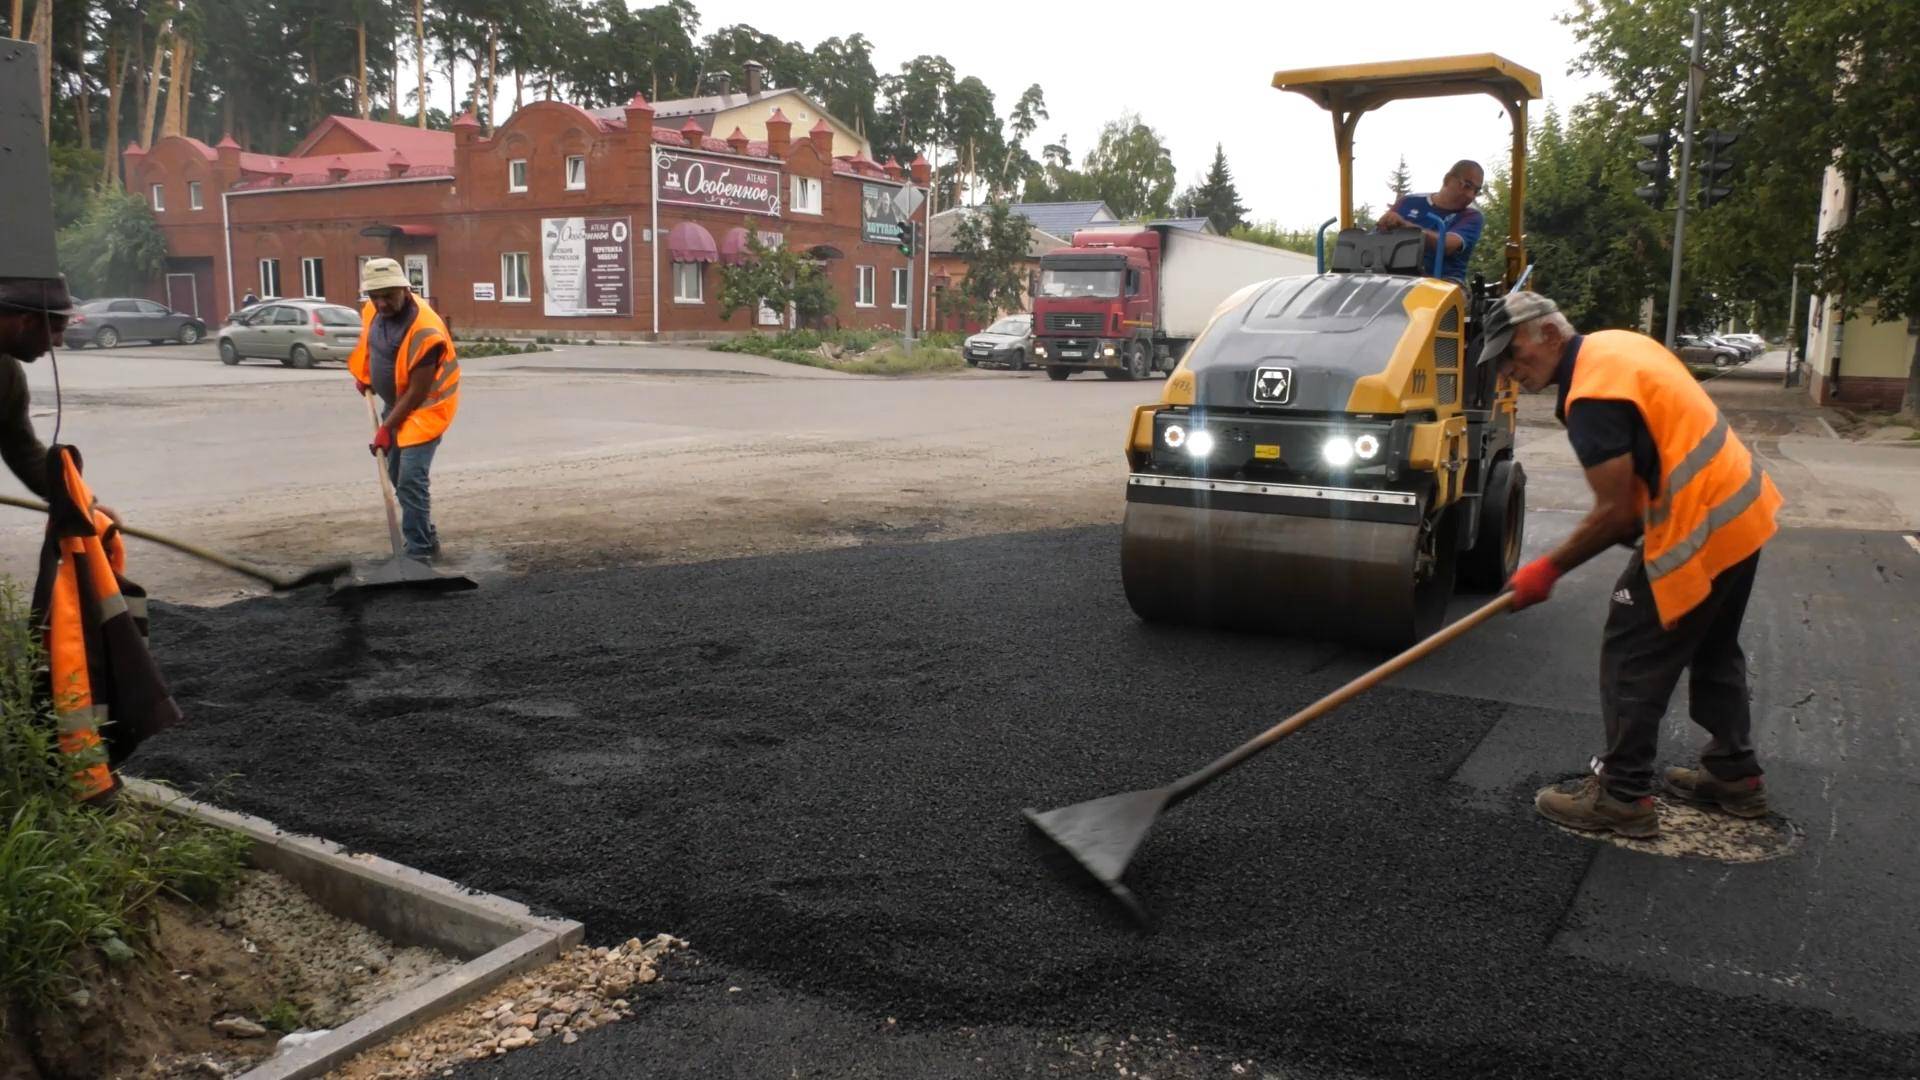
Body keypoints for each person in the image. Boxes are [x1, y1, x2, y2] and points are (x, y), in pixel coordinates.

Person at [1481, 292, 1783, 839]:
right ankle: (1734, 774)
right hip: (1743, 508)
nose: (1508, 369)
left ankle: (1622, 796)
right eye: (1501, 361)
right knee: (1712, 646)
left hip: (1700, 522)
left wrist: (1545, 569)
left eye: (1512, 353)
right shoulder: (1613, 347)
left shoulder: (1593, 393)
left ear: (1549, 333)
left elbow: (1617, 514)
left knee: (1631, 649)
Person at [345, 258, 460, 561]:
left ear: (406, 289)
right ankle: (427, 538)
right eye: (375, 296)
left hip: (425, 409)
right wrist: (366, 375)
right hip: (395, 404)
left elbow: (417, 391)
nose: (381, 303)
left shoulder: (426, 330)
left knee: (410, 478)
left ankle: (419, 553)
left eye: (388, 296)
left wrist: (386, 428)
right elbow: (372, 344)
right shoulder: (373, 309)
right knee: (396, 475)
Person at [1376, 160, 1485, 284]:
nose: (1471, 195)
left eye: (1476, 191)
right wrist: (1386, 223)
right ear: (1448, 179)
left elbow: (1446, 245)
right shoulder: (1407, 202)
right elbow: (1379, 235)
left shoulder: (1471, 216)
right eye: (1466, 186)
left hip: (1445, 283)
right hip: (1397, 278)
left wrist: (1405, 226)